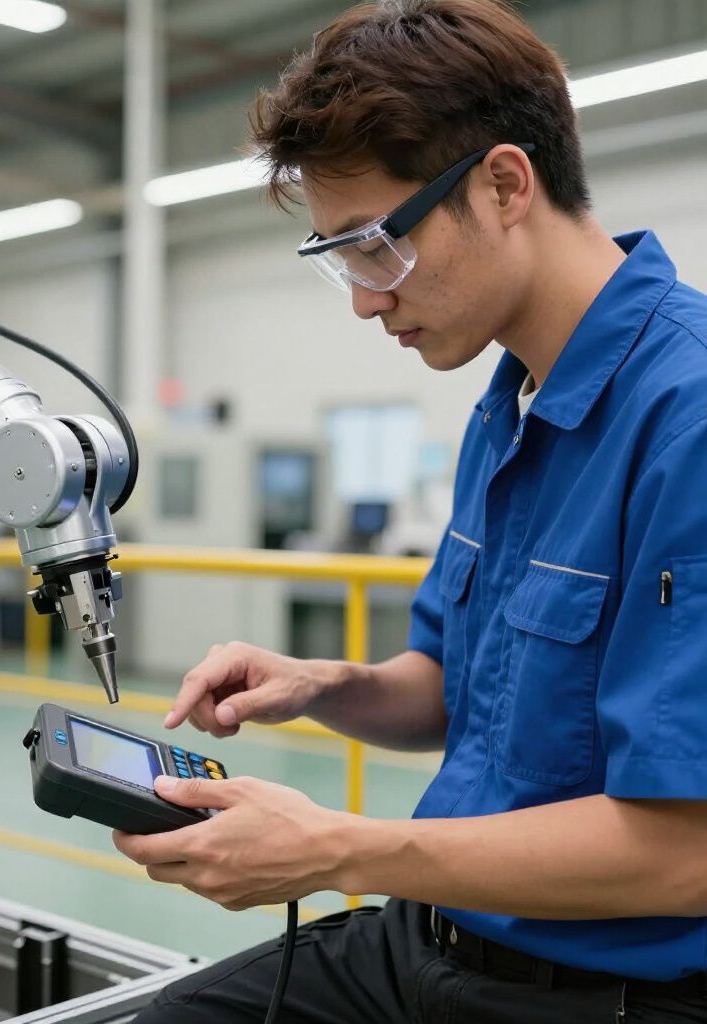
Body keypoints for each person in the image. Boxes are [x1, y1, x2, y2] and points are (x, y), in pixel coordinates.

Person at [113, 1, 707, 1020]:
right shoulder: (510, 396)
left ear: (504, 183)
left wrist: (339, 847)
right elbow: (448, 689)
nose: (362, 299)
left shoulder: (686, 418)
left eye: (374, 244)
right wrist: (323, 683)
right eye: (336, 256)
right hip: (426, 937)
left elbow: (682, 855)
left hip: (595, 995)